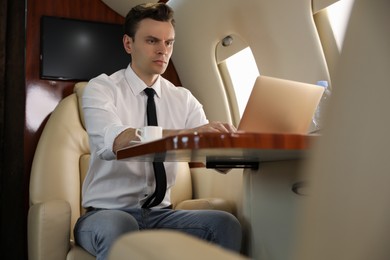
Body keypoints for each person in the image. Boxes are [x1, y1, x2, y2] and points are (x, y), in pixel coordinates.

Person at [74, 3, 242, 259]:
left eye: (169, 42)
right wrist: (192, 134)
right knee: (121, 226)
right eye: (152, 40)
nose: (163, 50)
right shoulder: (102, 88)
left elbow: (215, 159)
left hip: (161, 214)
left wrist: (229, 149)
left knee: (224, 224)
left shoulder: (184, 98)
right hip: (105, 213)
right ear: (128, 44)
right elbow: (118, 141)